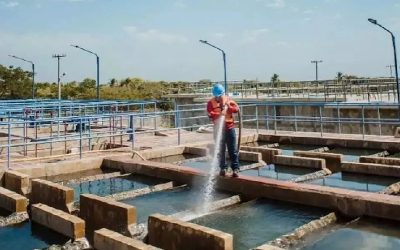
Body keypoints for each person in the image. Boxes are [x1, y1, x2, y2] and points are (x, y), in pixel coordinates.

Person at [207, 83, 240, 177]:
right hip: (218, 130)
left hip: (230, 129)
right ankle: (223, 168)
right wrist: (220, 114)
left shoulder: (228, 100)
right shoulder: (210, 103)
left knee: (232, 150)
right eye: (216, 96)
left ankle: (235, 169)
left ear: (223, 94)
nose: (218, 98)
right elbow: (210, 114)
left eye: (219, 96)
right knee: (220, 150)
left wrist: (228, 107)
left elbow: (236, 109)